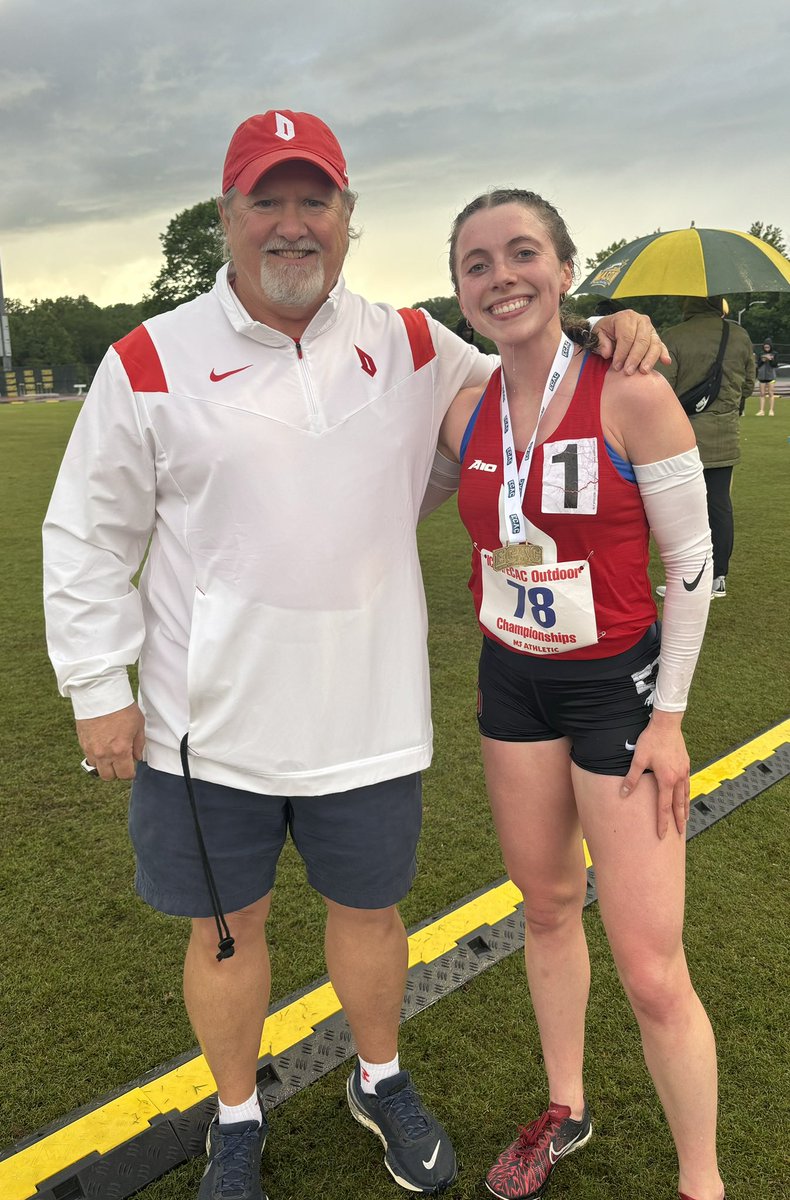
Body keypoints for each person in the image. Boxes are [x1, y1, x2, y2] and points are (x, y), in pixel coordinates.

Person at [42, 112, 663, 1200]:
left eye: (313, 200)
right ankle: (236, 1120)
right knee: (226, 936)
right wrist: (100, 690)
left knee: (370, 916)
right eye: (266, 201)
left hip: (367, 715)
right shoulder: (147, 358)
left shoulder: (414, 343)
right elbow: (88, 535)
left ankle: (379, 1077)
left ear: (347, 219)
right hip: (205, 725)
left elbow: (527, 384)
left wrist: (606, 332)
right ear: (228, 216)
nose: (292, 225)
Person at [437, 188, 724, 1200]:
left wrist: (671, 718)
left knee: (651, 968)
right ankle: (565, 1106)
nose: (500, 275)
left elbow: (692, 560)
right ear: (459, 288)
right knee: (548, 907)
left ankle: (702, 1183)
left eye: (522, 253)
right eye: (477, 262)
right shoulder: (461, 399)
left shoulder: (630, 387)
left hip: (616, 689)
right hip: (509, 681)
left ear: (563, 269)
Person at [656, 297, 755, 598]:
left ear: (687, 303)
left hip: (681, 435)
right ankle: (718, 576)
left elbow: (660, 388)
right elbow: (748, 386)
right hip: (725, 434)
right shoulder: (739, 335)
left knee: (682, 509)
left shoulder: (673, 336)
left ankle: (689, 576)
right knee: (719, 505)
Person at [755, 338, 778, 415]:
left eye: (768, 347)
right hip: (762, 376)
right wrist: (763, 360)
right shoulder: (760, 353)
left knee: (771, 393)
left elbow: (775, 365)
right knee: (762, 393)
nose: (766, 349)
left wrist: (770, 359)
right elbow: (758, 364)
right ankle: (761, 410)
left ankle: (771, 410)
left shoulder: (775, 353)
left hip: (771, 376)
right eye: (765, 347)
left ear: (770, 346)